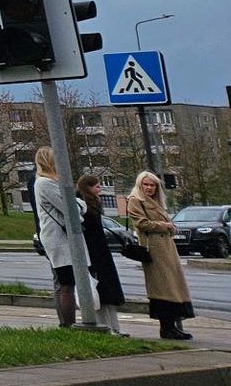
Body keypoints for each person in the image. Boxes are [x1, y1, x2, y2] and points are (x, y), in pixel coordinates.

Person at [126, 170, 194, 340]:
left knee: (173, 286)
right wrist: (164, 226)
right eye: (146, 184)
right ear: (139, 185)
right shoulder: (136, 200)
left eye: (152, 185)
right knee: (163, 288)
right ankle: (167, 327)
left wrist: (168, 226)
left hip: (166, 247)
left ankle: (172, 325)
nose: (149, 188)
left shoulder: (156, 202)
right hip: (154, 248)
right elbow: (141, 223)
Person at [31, 146, 81, 328]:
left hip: (59, 238)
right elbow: (70, 206)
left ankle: (68, 322)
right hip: (58, 240)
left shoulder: (50, 182)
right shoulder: (45, 183)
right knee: (65, 283)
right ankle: (68, 324)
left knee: (65, 283)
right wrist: (79, 205)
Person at [75, 174, 126, 335]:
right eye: (97, 186)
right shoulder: (82, 204)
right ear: (88, 188)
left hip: (101, 250)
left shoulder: (95, 203)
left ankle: (114, 327)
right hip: (92, 250)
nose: (100, 189)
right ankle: (105, 326)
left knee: (107, 291)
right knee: (99, 290)